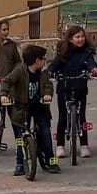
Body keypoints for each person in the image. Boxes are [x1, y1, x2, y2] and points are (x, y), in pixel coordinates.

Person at [6, 43, 59, 175]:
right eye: (44, 59)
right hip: (21, 108)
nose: (45, 61)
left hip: (39, 106)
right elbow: (7, 81)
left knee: (46, 133)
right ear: (37, 61)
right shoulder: (20, 71)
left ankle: (51, 161)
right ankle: (20, 164)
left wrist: (47, 94)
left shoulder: (44, 74)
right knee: (20, 137)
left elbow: (48, 85)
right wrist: (3, 95)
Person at [48, 25, 97, 157]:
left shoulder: (86, 52)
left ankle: (84, 145)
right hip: (63, 87)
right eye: (77, 37)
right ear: (70, 39)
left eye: (82, 36)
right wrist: (49, 73)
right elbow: (54, 66)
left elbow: (91, 63)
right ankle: (60, 145)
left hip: (80, 87)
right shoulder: (63, 52)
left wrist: (94, 70)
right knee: (62, 117)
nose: (81, 39)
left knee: (81, 116)